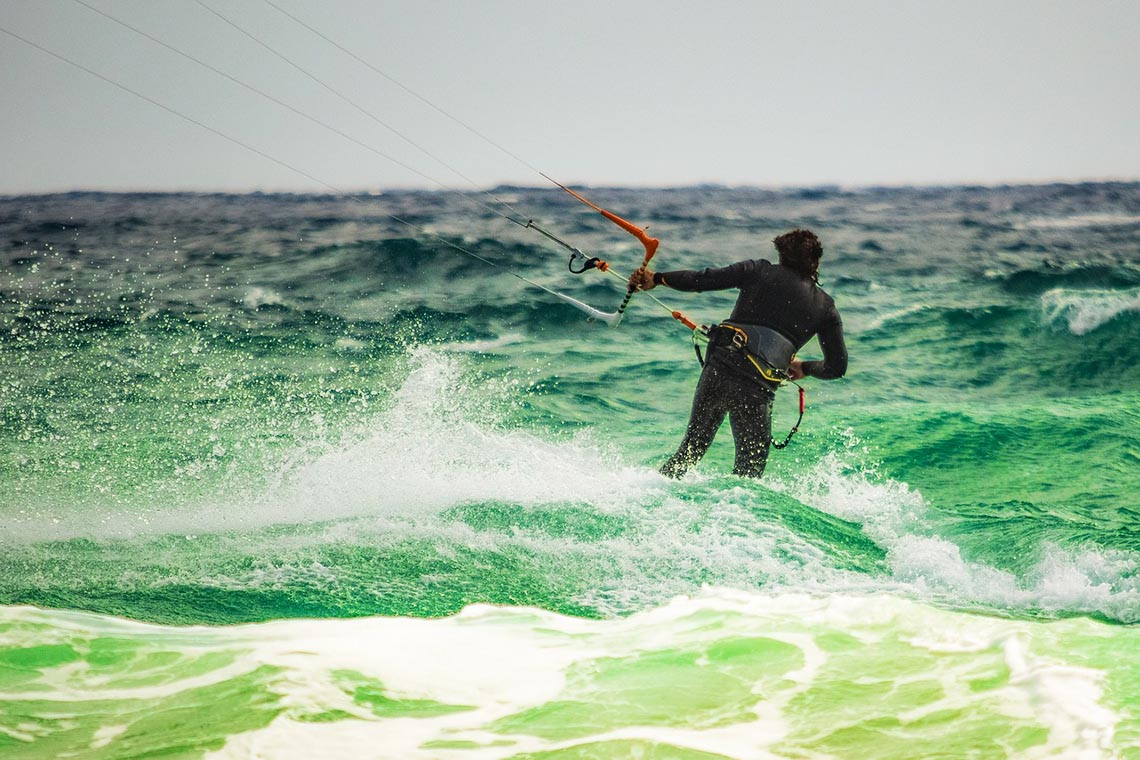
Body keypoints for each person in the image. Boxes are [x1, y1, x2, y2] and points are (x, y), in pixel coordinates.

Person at [628, 229, 847, 479]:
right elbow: (836, 367)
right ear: (816, 261)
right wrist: (805, 367)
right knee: (749, 475)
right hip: (757, 390)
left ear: (781, 254)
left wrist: (656, 278)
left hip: (720, 370)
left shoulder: (758, 270)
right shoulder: (825, 308)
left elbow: (703, 279)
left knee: (689, 454)